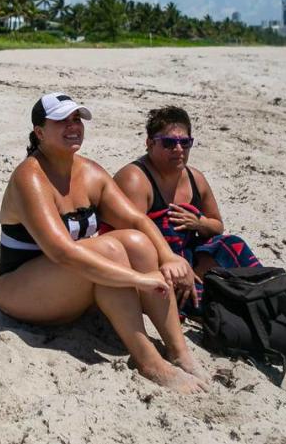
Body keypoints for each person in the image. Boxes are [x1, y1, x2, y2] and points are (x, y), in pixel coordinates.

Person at [0, 93, 208, 393]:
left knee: (137, 241)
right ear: (39, 132)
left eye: (77, 119)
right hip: (20, 291)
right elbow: (62, 252)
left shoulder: (89, 171)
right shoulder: (29, 177)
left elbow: (137, 220)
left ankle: (178, 350)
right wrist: (139, 279)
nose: (73, 126)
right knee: (109, 250)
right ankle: (149, 362)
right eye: (62, 121)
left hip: (67, 287)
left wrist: (168, 257)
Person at [112, 106, 261, 315]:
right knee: (216, 302)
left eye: (185, 142)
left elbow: (217, 226)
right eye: (169, 143)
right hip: (151, 261)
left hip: (189, 254)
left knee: (233, 244)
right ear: (149, 143)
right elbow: (130, 239)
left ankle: (260, 292)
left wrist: (200, 223)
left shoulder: (195, 178)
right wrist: (173, 261)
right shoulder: (135, 180)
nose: (179, 149)